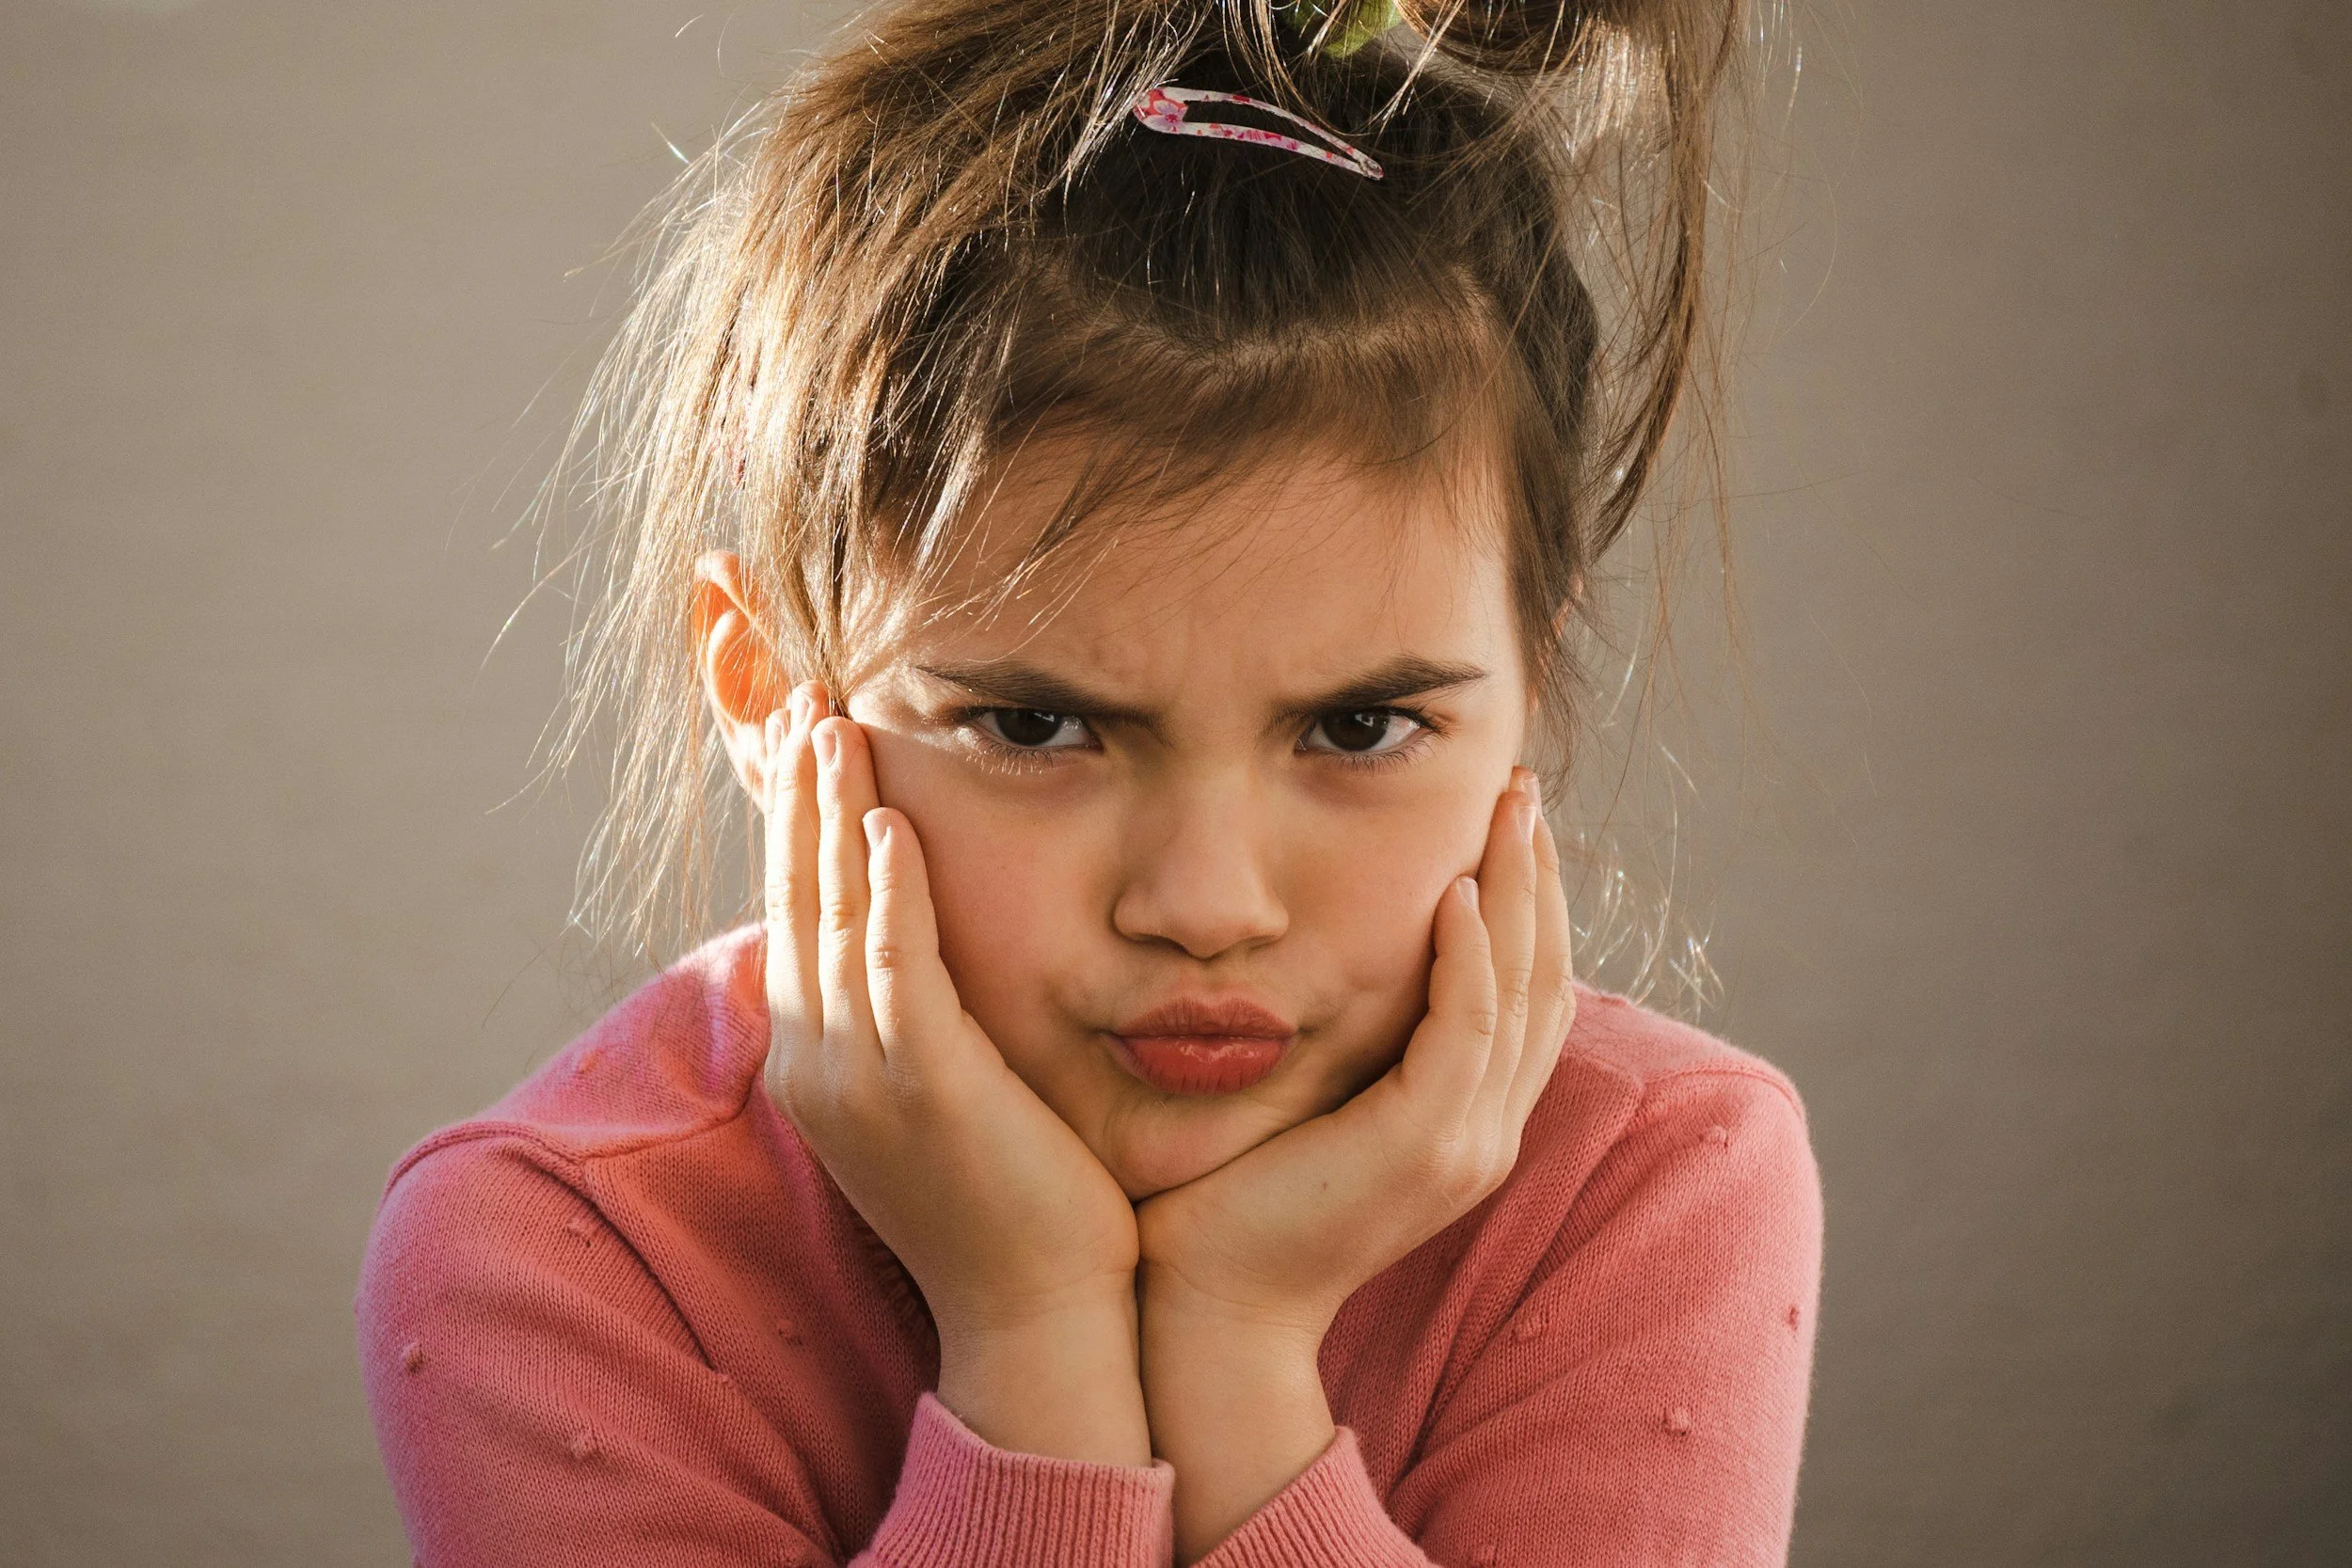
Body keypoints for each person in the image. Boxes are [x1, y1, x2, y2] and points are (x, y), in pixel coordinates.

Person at [356, 1, 1822, 1563]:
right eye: (1039, 731)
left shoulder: (1651, 1181)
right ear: (772, 690)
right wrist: (1031, 1334)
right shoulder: (557, 1257)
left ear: (1533, 669)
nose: (1206, 904)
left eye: (1359, 728)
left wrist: (1242, 1341)